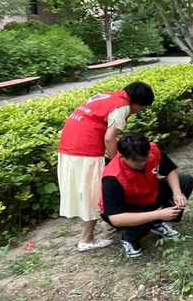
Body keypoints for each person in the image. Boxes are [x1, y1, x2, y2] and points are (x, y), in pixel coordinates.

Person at [57, 81, 155, 252]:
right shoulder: (122, 106)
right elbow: (109, 138)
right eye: (142, 107)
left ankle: (113, 222)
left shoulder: (109, 96)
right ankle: (87, 239)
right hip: (86, 150)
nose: (138, 111)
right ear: (138, 102)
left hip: (68, 147)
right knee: (95, 194)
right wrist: (119, 162)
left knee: (90, 192)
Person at [99, 133, 193, 258]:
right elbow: (115, 218)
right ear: (122, 156)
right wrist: (157, 214)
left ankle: (158, 223)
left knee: (185, 181)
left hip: (149, 195)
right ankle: (129, 238)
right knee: (142, 220)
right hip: (126, 209)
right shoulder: (112, 177)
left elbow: (170, 171)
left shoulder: (152, 150)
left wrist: (177, 193)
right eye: (137, 161)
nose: (142, 163)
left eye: (145, 159)